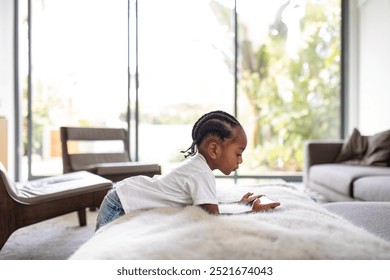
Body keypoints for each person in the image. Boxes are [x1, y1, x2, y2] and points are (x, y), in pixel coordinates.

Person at [95, 110, 280, 231]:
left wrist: (239, 203)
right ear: (214, 149)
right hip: (120, 202)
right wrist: (253, 213)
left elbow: (206, 205)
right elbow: (211, 217)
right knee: (100, 254)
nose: (241, 160)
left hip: (122, 193)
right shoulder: (201, 173)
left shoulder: (198, 167)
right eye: (238, 153)